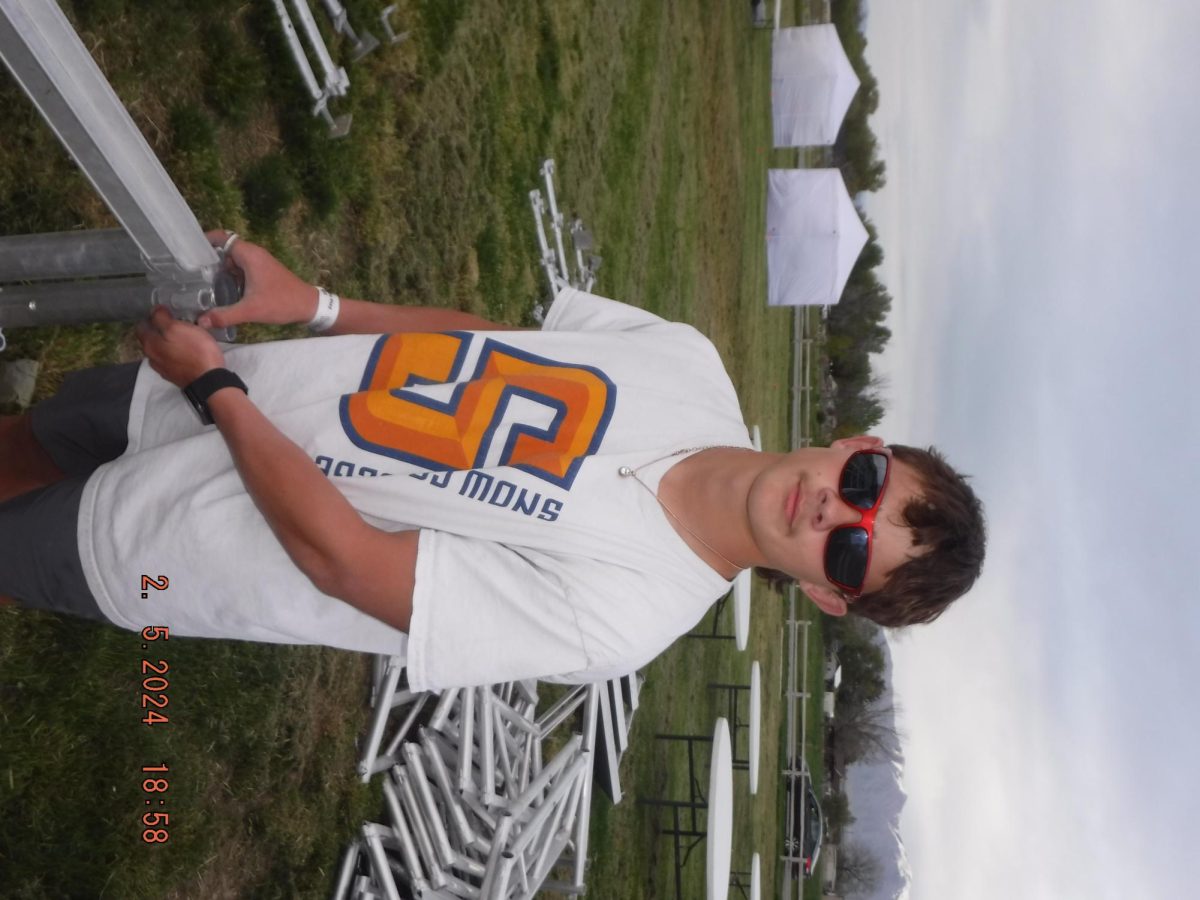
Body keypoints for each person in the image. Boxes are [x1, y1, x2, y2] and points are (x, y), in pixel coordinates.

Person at [0, 234, 986, 689]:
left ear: (825, 597)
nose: (832, 514)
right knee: (31, 439)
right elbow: (495, 346)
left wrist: (217, 393)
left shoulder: (622, 619)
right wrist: (312, 308)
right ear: (861, 445)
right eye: (866, 488)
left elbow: (345, 561)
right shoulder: (687, 361)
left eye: (854, 556)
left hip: (169, 540)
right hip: (234, 375)